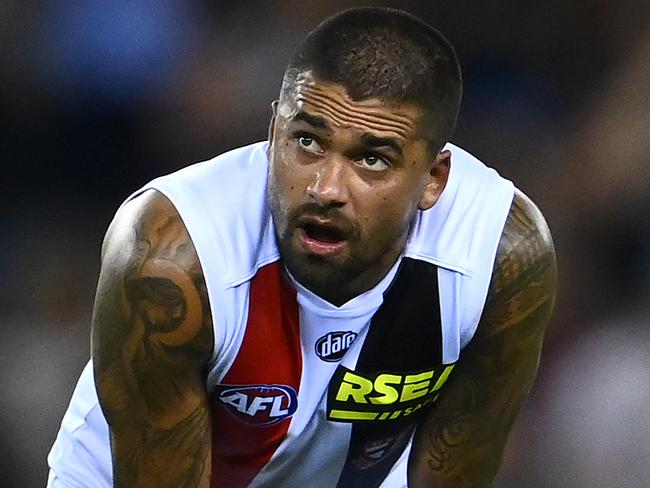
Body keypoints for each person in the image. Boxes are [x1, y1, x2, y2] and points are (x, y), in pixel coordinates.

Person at [47, 7, 556, 488]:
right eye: (307, 141)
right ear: (273, 131)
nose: (326, 189)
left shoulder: (501, 257)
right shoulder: (175, 257)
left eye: (372, 160)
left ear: (433, 179)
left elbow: (455, 473)